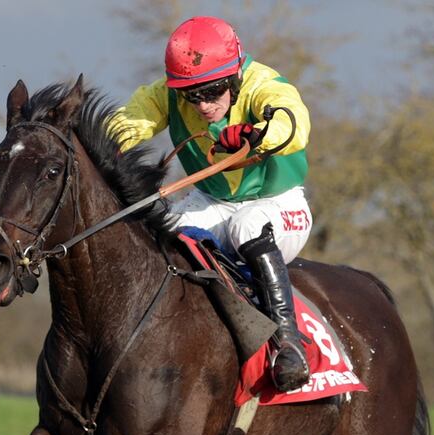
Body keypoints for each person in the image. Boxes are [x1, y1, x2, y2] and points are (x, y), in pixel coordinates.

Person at [109, 16, 314, 391]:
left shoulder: (264, 85)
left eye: (214, 91)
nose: (203, 105)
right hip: (213, 199)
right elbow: (127, 123)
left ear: (235, 75)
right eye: (192, 95)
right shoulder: (167, 94)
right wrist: (110, 144)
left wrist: (258, 133)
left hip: (279, 204)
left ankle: (289, 344)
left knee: (246, 226)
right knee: (156, 226)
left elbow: (293, 121)